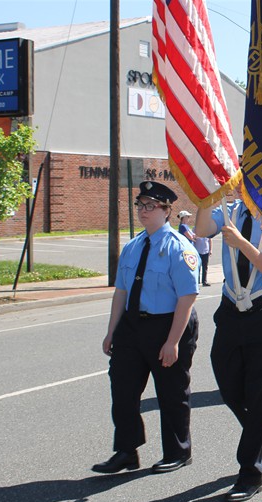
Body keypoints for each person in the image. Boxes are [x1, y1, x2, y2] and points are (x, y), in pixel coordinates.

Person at [194, 183, 262, 502]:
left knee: (257, 391)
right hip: (230, 309)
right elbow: (199, 229)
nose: (240, 186)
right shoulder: (230, 212)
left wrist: (242, 243)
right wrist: (207, 196)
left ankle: (250, 471)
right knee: (227, 385)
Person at [93, 181, 199, 475]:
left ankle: (178, 451)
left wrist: (173, 341)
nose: (143, 211)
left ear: (167, 211)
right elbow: (121, 292)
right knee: (123, 389)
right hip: (132, 325)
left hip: (167, 324)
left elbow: (187, 297)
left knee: (171, 392)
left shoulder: (179, 248)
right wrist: (112, 330)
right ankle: (127, 451)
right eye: (140, 205)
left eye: (151, 206)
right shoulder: (132, 246)